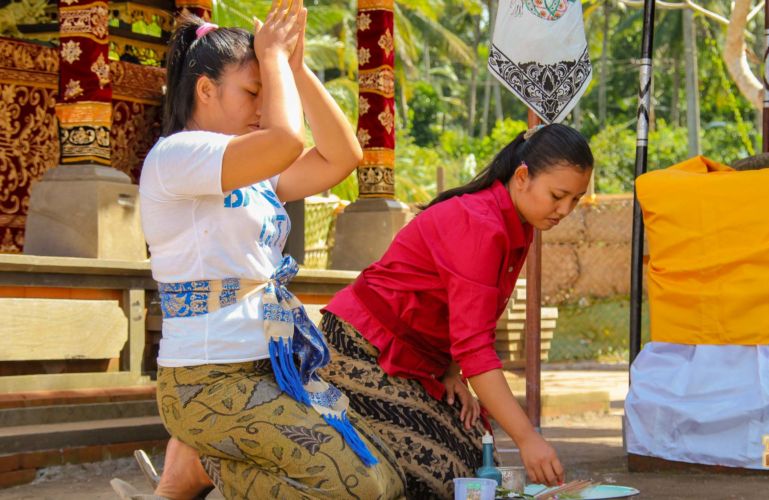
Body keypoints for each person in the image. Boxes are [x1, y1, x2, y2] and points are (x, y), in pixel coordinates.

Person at [115, 3, 405, 498]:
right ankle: (200, 470)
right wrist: (269, 56)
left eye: (265, 96)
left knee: (385, 478)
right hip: (204, 382)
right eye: (253, 93)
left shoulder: (255, 171)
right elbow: (288, 139)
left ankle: (195, 468)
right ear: (205, 90)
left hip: (269, 365)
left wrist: (293, 68)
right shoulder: (176, 156)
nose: (261, 107)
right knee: (357, 490)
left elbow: (343, 156)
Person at [318, 123, 594, 497]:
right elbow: (476, 349)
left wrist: (451, 372)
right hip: (360, 347)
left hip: (422, 358)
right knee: (442, 472)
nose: (565, 211)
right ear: (523, 177)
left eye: (575, 200)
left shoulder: (518, 223)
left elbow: (467, 318)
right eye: (558, 196)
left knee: (473, 455)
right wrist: (528, 438)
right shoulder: (481, 225)